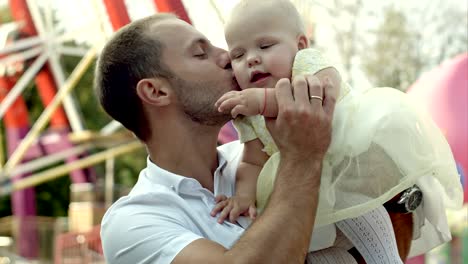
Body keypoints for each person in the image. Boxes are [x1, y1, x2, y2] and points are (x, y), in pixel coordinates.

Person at [212, 0, 463, 261]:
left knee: (364, 221)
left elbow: (322, 90)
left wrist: (263, 102)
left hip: (347, 170)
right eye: (238, 55)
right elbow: (253, 160)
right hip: (303, 193)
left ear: (299, 46)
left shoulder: (306, 65)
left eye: (265, 46)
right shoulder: (245, 107)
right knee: (317, 251)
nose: (252, 59)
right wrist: (243, 196)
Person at [95, 12, 351, 264]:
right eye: (200, 53)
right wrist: (302, 157)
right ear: (156, 91)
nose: (228, 56)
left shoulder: (265, 154)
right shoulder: (133, 222)